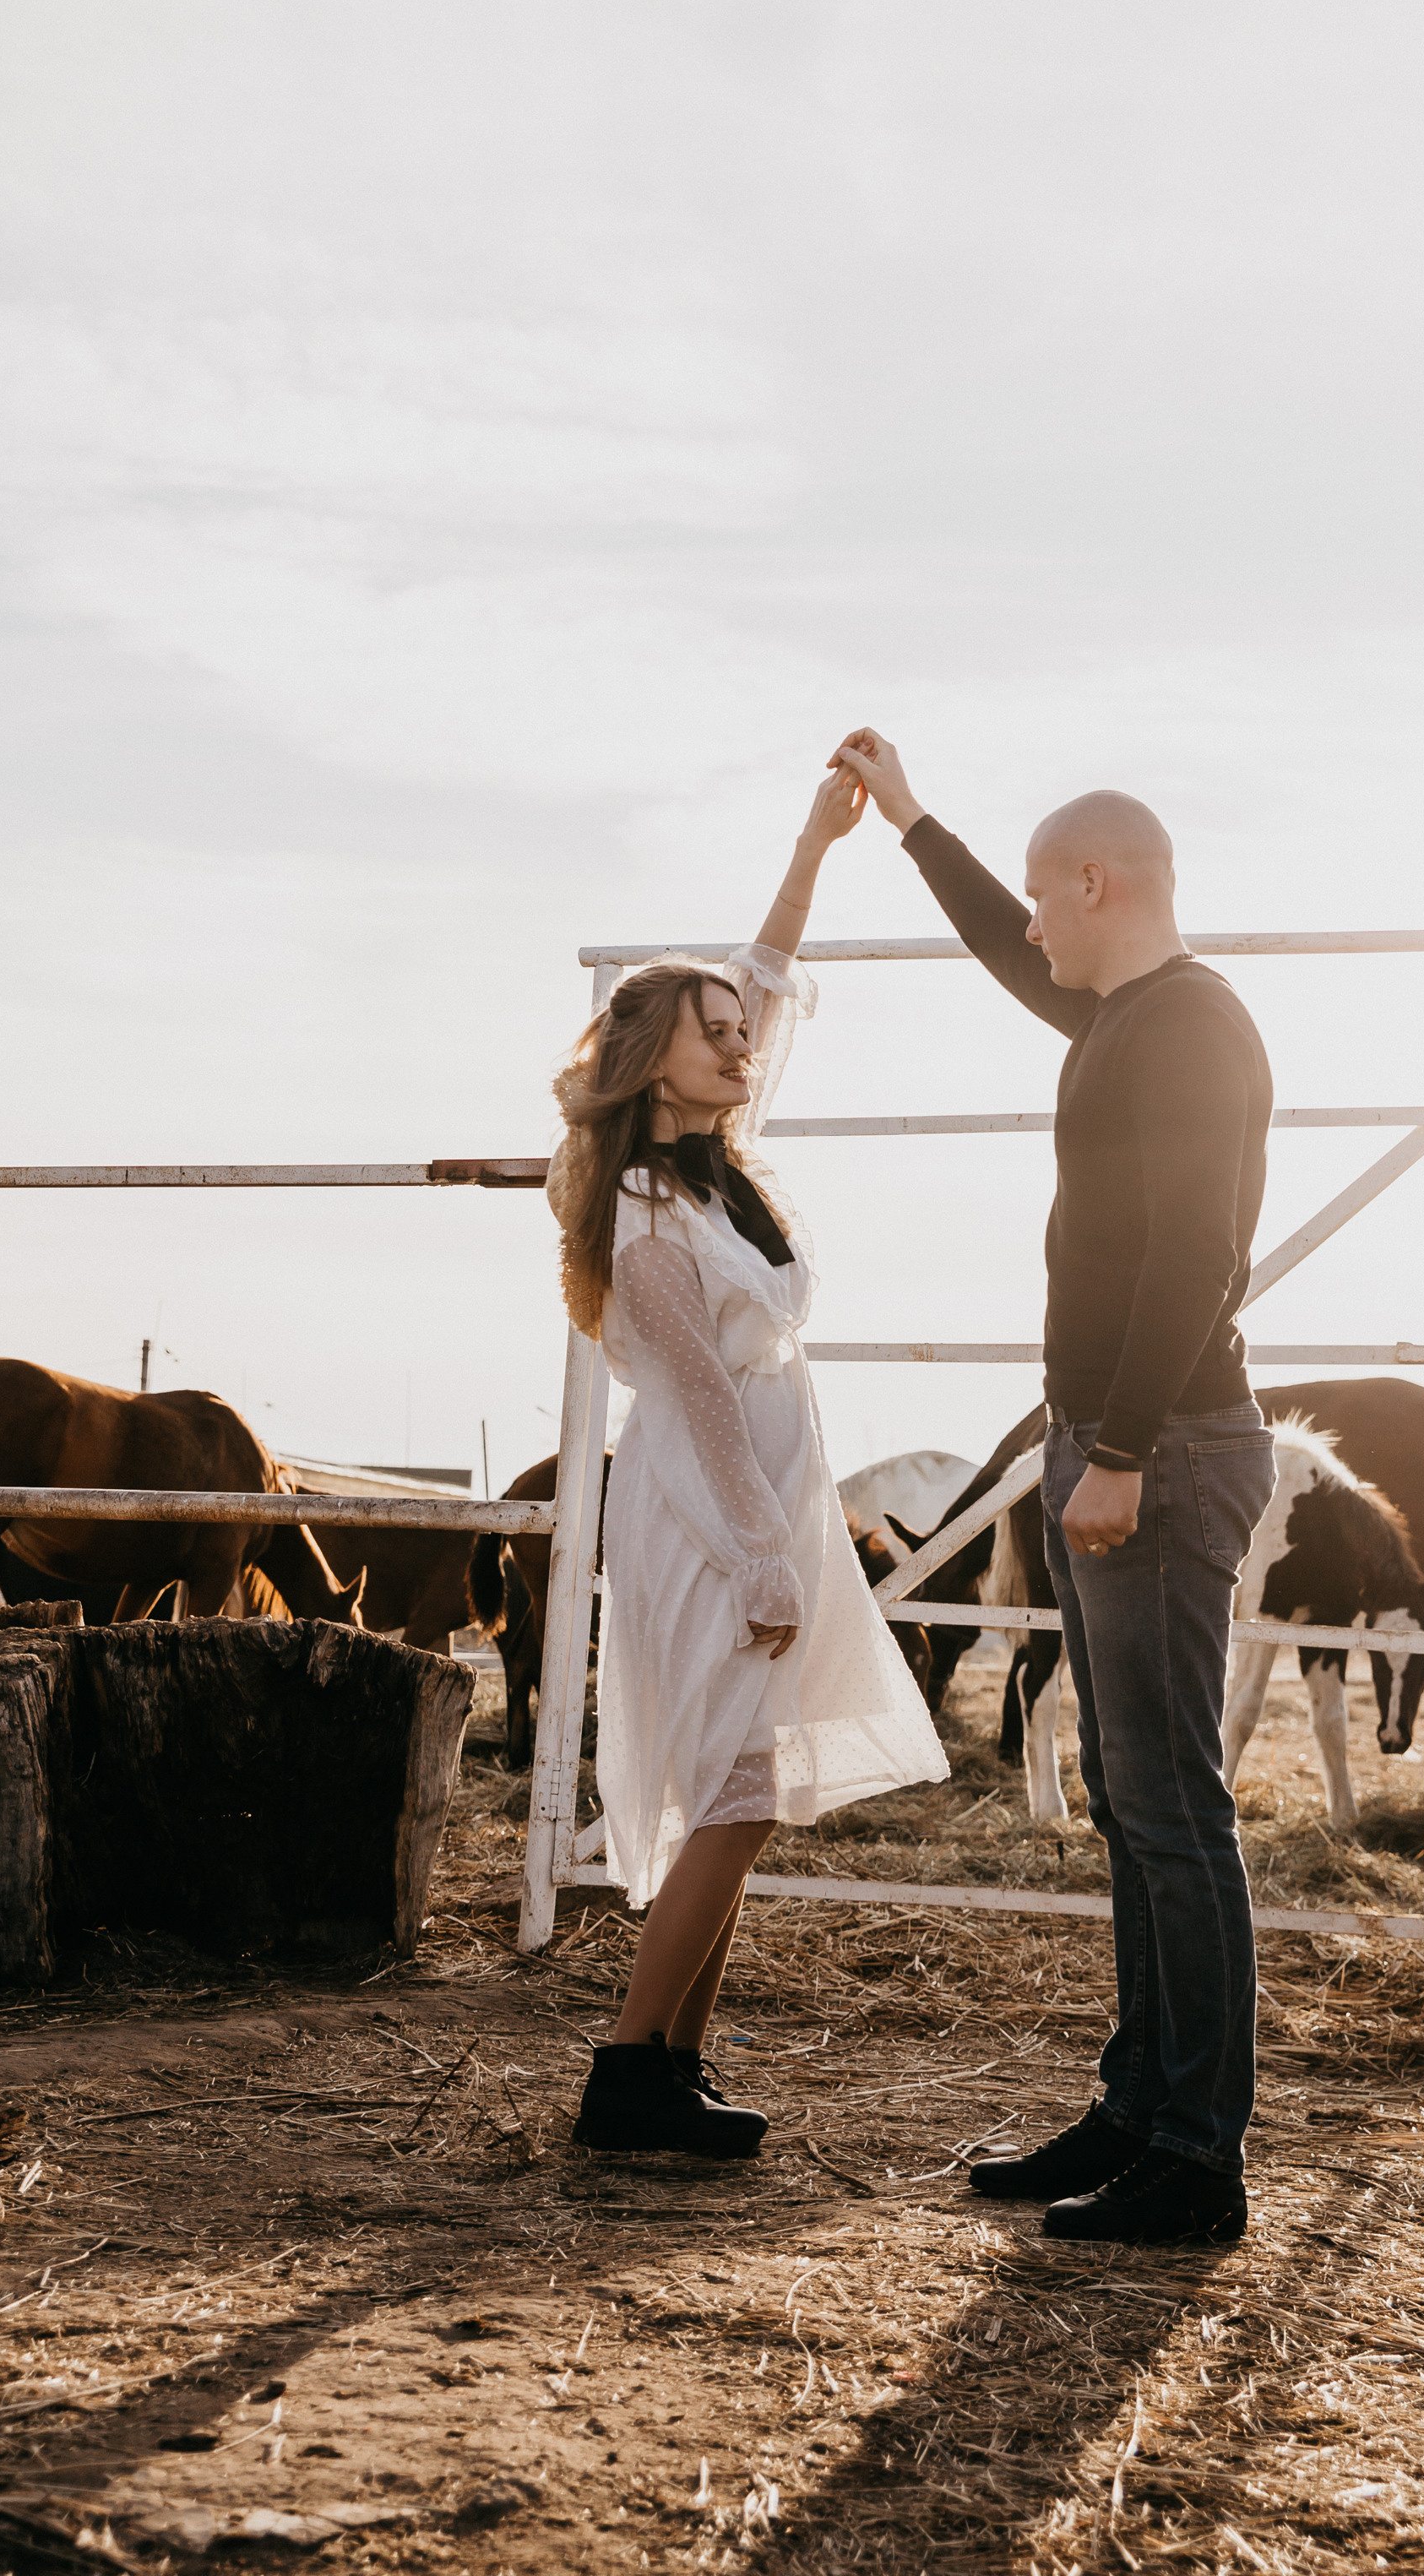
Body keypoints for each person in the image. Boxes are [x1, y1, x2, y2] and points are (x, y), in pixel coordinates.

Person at [829, 727, 1275, 2245]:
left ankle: (1194, 2156)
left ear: (1096, 882)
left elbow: (1195, 1253)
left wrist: (1129, 1452)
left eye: (1039, 893)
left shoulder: (1191, 1029)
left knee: (1170, 1810)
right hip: (1108, 1443)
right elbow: (989, 947)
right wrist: (908, 819)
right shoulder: (1117, 1017)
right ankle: (1137, 2108)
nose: (1026, 922)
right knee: (1127, 1801)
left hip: (1165, 1450)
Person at [547, 768, 949, 2160]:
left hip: (766, 1503)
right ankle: (622, 2076)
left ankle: (674, 2064)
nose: (741, 1048)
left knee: (751, 1788)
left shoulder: (723, 1171)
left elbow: (766, 975)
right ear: (652, 1053)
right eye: (713, 1035)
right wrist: (764, 1555)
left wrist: (815, 846)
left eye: (741, 1036)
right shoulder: (650, 1214)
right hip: (711, 1514)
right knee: (732, 1789)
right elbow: (706, 1403)